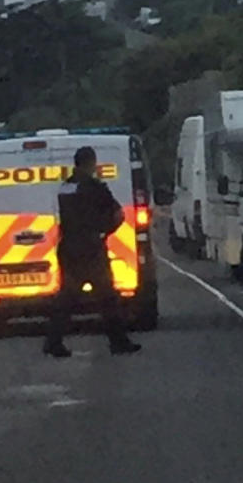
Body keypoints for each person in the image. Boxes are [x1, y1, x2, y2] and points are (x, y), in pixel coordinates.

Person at [43, 146, 142, 358]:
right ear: (91, 163)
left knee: (67, 297)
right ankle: (118, 342)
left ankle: (53, 341)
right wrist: (105, 232)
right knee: (107, 296)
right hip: (90, 248)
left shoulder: (65, 188)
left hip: (68, 247)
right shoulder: (95, 187)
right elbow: (117, 214)